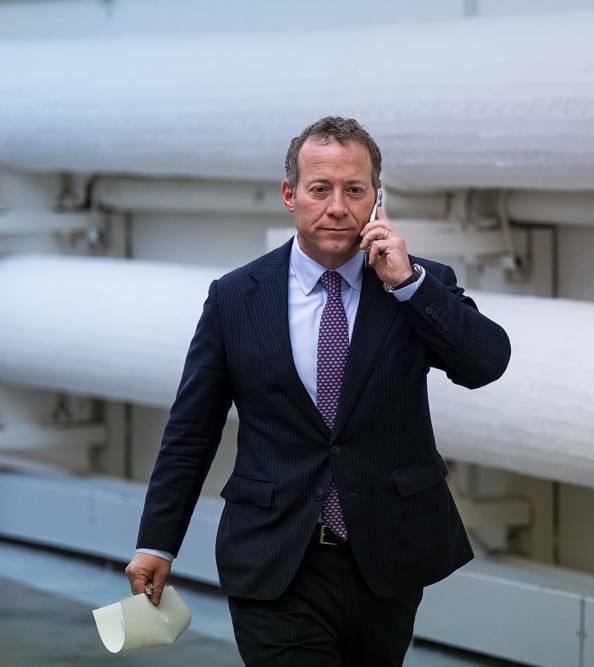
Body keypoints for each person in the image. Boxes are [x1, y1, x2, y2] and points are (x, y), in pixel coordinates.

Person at [124, 116, 511, 665]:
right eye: (320, 189)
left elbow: (486, 363)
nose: (337, 207)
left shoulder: (416, 285)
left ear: (377, 198)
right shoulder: (236, 297)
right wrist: (157, 541)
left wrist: (409, 287)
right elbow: (192, 430)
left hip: (386, 557)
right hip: (274, 558)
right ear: (290, 195)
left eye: (354, 190)